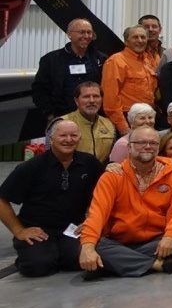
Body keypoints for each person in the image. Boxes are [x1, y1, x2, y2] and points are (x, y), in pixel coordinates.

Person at [79, 126, 172, 278]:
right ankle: (158, 265)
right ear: (129, 146)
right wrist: (88, 246)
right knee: (95, 245)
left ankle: (111, 264)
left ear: (158, 147)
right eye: (141, 142)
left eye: (153, 143)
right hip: (119, 241)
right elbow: (97, 213)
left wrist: (170, 236)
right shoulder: (112, 176)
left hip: (156, 240)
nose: (147, 146)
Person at [0, 119, 104, 277]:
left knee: (80, 261)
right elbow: (2, 199)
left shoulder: (90, 163)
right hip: (39, 230)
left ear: (79, 138)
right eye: (63, 135)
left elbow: (104, 195)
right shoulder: (32, 167)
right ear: (51, 138)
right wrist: (19, 230)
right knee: (38, 266)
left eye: (73, 135)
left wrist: (91, 221)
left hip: (73, 229)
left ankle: (58, 254)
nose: (69, 140)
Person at [32, 18, 104, 122]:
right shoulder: (51, 60)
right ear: (69, 34)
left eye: (89, 32)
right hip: (61, 118)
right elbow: (39, 90)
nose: (86, 36)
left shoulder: (101, 59)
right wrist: (50, 115)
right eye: (82, 32)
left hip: (93, 118)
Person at [101, 25, 157, 134]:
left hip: (147, 118)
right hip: (127, 118)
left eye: (143, 37)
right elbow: (110, 99)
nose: (140, 41)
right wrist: (123, 127)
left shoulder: (148, 60)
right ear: (126, 41)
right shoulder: (116, 61)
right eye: (135, 37)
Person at [62, 81, 116, 163]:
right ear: (76, 101)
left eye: (96, 96)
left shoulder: (109, 125)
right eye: (86, 97)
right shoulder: (61, 123)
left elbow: (111, 157)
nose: (91, 100)